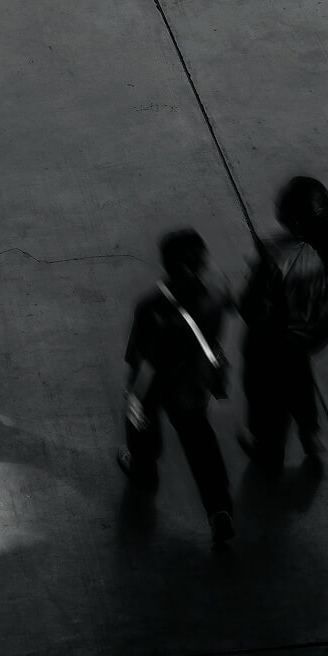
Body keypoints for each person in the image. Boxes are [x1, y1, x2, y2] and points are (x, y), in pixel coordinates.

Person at [117, 230, 235, 546]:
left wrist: (136, 398)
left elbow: (140, 359)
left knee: (141, 422)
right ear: (202, 259)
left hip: (156, 382)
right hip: (193, 383)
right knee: (200, 442)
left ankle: (143, 468)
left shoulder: (151, 307)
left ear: (168, 265)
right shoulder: (218, 289)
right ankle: (218, 508)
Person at [238, 176, 328, 470]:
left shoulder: (278, 258)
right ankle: (310, 432)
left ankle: (268, 448)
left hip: (279, 337)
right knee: (299, 375)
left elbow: (252, 309)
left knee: (265, 390)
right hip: (318, 328)